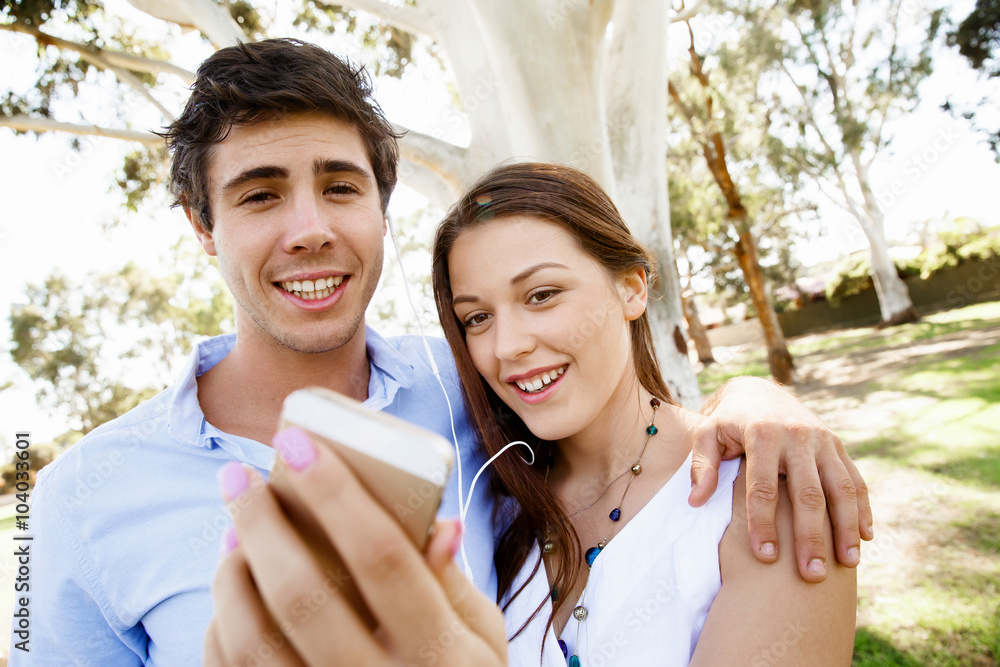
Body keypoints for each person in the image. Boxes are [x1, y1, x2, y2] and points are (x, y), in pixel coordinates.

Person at [13, 39, 868, 666]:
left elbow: (626, 417)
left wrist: (758, 399)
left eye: (341, 186)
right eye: (260, 194)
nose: (310, 229)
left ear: (382, 208)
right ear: (204, 227)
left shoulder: (467, 388)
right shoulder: (72, 502)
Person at [432, 162, 856, 664]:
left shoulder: (765, 494)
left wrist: (754, 391)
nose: (508, 347)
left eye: (542, 295)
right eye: (477, 318)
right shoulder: (485, 507)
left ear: (632, 288)